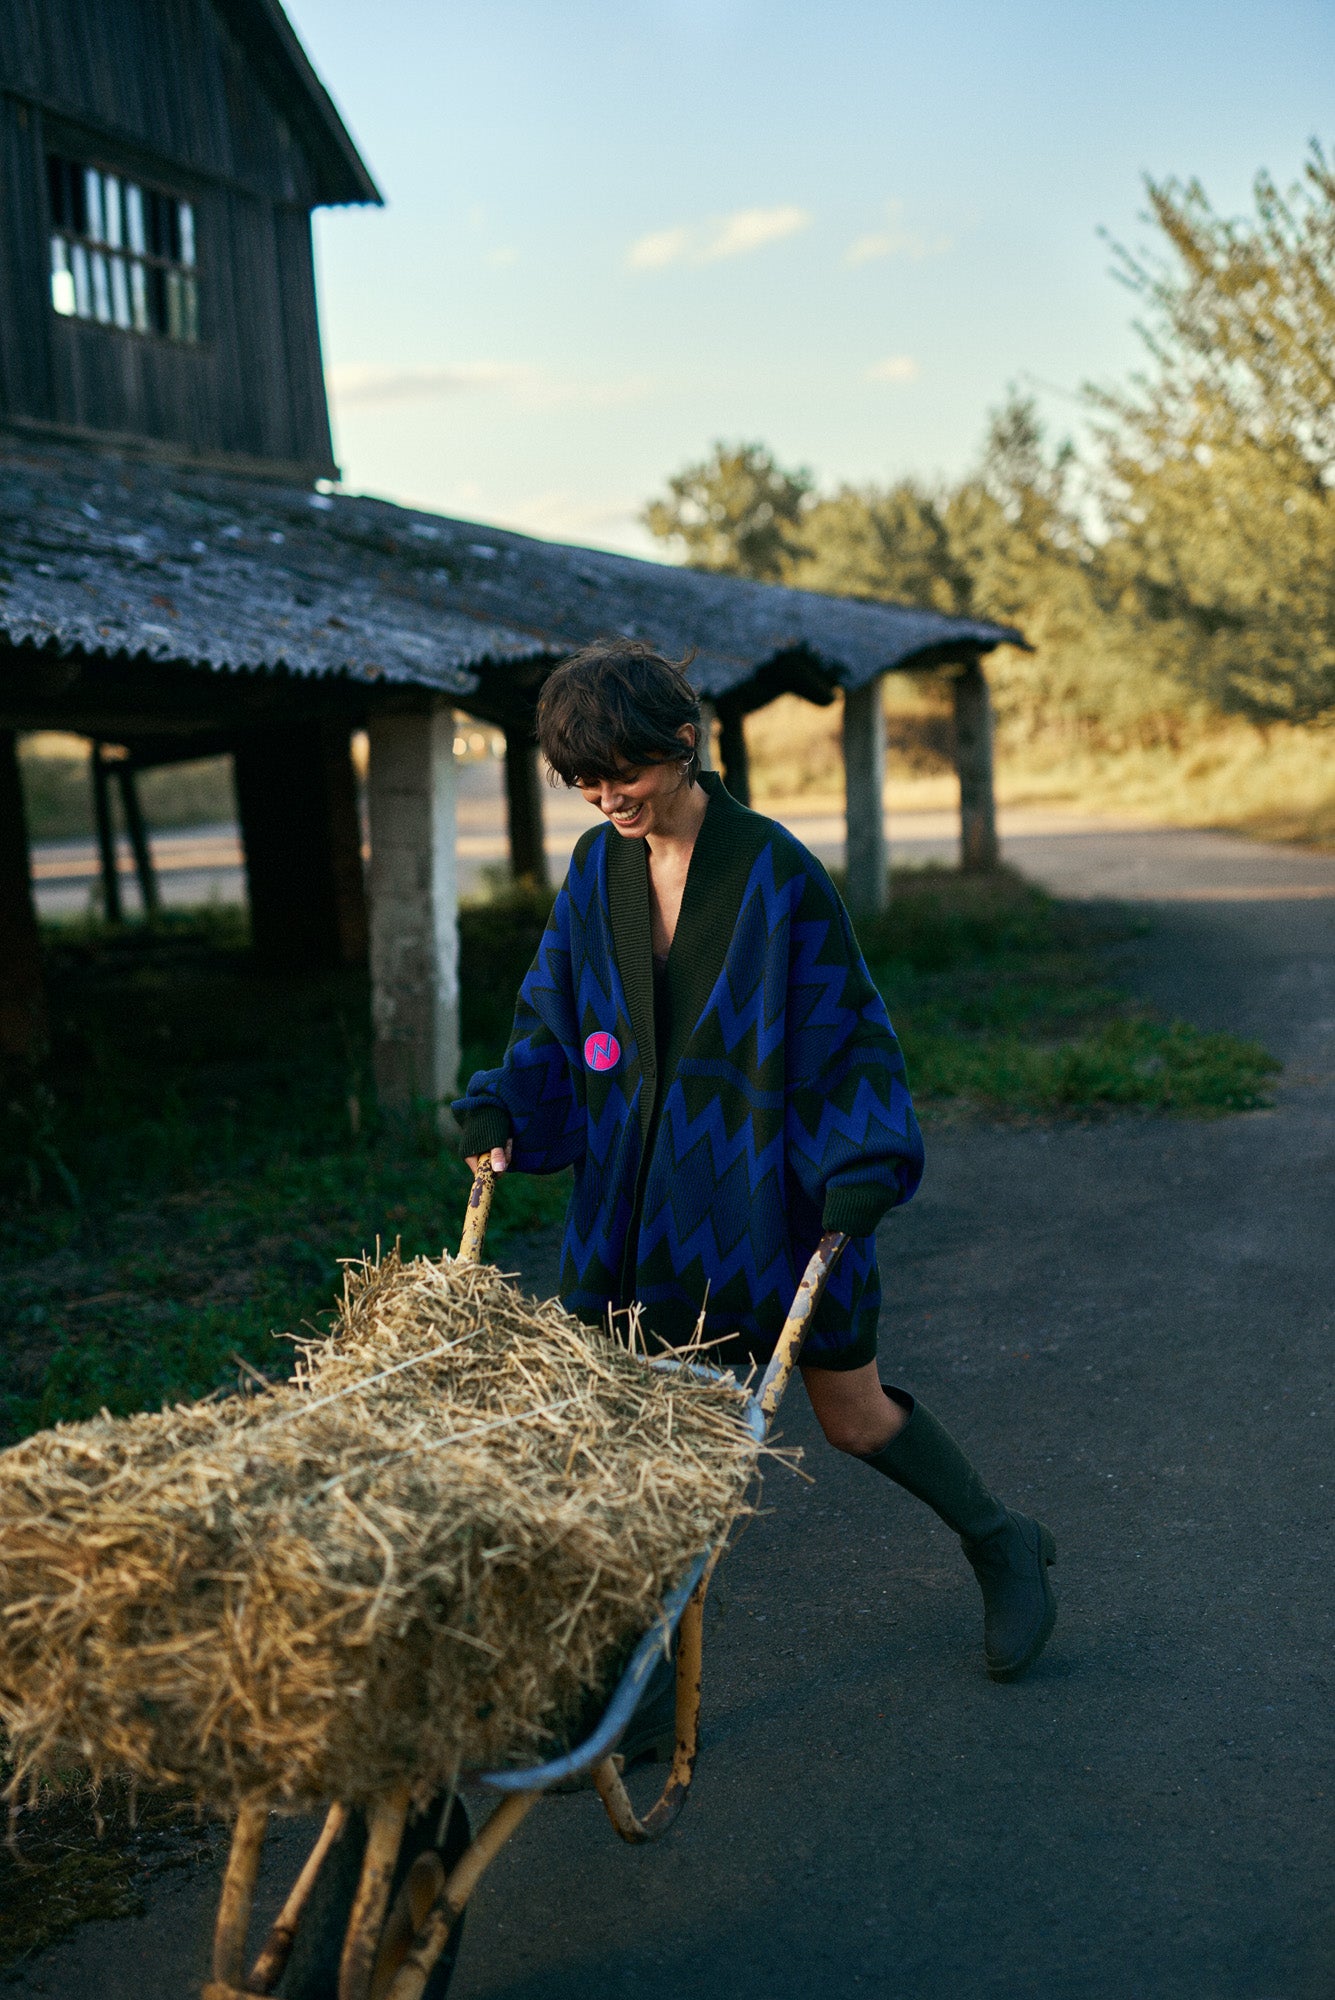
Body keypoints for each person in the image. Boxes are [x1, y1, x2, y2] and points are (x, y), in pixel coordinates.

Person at [456, 640, 1056, 1753]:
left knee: (852, 1415)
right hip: (637, 1210)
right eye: (584, 782)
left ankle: (1002, 1539)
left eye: (623, 774)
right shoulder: (595, 870)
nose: (607, 799)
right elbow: (553, 1016)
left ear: (683, 743)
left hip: (772, 1200)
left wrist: (861, 1160)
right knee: (640, 1439)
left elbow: (847, 1036)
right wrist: (505, 1103)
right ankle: (639, 1686)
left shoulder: (775, 871)